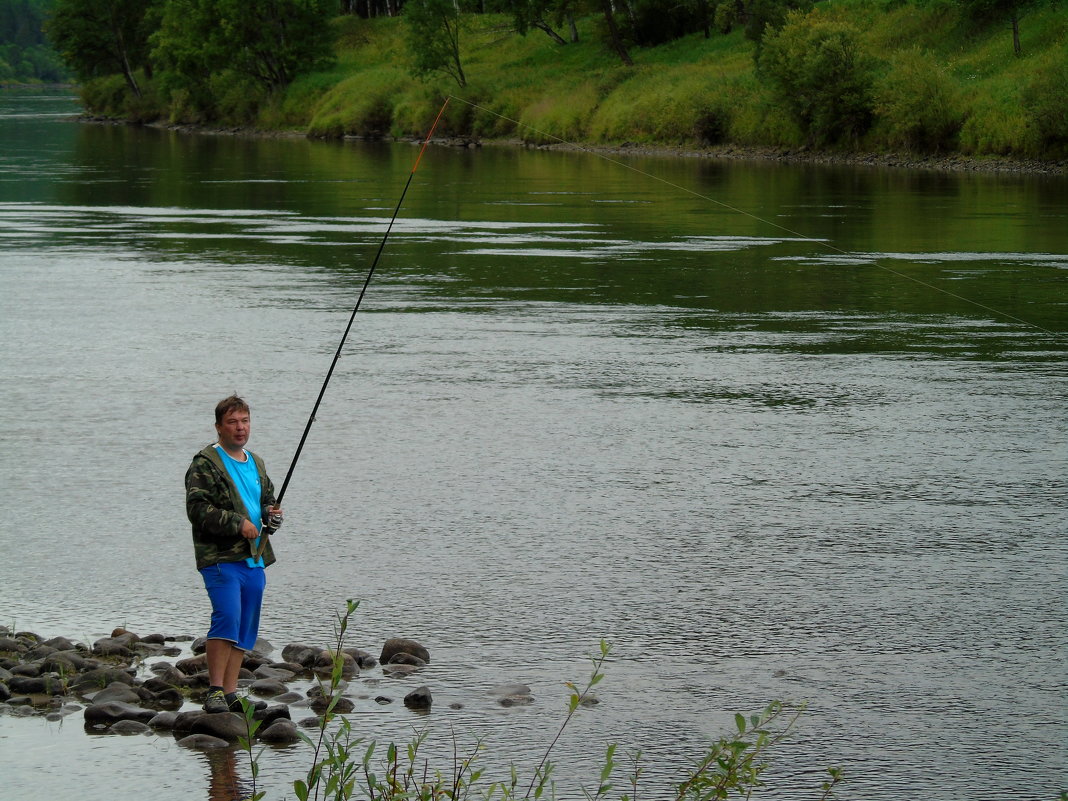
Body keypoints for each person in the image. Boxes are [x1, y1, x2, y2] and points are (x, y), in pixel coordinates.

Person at [185, 395, 283, 713]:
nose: (240, 428)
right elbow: (197, 509)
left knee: (245, 624)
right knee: (227, 616)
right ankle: (214, 691)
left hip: (254, 557)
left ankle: (230, 692)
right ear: (218, 427)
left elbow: (267, 500)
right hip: (219, 556)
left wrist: (272, 516)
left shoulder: (255, 462)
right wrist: (237, 523)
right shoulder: (205, 463)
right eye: (232, 422)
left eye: (244, 421)